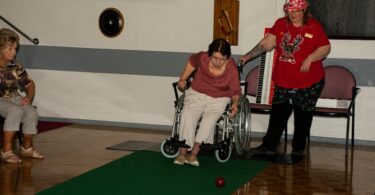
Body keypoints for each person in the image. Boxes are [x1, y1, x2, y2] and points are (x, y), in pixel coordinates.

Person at [240, 0, 331, 157]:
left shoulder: (314, 26)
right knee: (278, 114)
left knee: (302, 116)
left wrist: (310, 58)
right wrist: (248, 56)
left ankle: (298, 148)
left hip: (309, 82)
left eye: (297, 11)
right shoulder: (281, 24)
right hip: (284, 80)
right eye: (290, 10)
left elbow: (325, 48)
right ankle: (269, 145)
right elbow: (267, 44)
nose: (293, 14)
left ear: (304, 10)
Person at [173, 38, 241, 166]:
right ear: (210, 55)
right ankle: (182, 153)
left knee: (209, 121)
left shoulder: (231, 68)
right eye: (215, 58)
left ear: (227, 57)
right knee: (188, 114)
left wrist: (235, 103)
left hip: (219, 98)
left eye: (222, 58)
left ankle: (193, 154)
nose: (218, 62)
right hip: (197, 93)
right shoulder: (202, 58)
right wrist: (183, 78)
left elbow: (236, 90)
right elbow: (191, 61)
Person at [0, 28, 44, 164]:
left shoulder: (14, 65)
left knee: (31, 111)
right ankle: (6, 151)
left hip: (12, 97)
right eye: (10, 49)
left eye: (15, 48)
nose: (13, 52)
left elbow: (30, 84)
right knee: (15, 111)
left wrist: (28, 97)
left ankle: (27, 147)